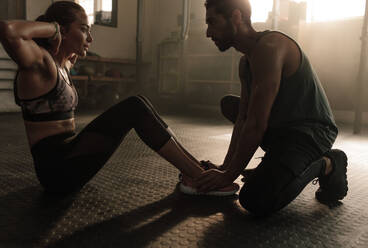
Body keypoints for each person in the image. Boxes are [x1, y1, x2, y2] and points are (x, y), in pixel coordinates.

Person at [0, 1, 239, 196]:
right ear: (61, 30)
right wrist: (52, 29)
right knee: (134, 107)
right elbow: (8, 30)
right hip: (56, 170)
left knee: (141, 102)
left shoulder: (63, 64)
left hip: (69, 158)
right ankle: (199, 179)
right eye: (84, 29)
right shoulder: (41, 63)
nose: (90, 38)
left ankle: (196, 169)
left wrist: (68, 43)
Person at [195, 0, 348, 216]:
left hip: (310, 132)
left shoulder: (270, 47)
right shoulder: (245, 63)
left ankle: (328, 162)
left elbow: (257, 124)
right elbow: (244, 118)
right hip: (283, 130)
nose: (208, 32)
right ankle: (280, 159)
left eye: (212, 22)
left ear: (236, 17)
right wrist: (225, 167)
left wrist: (229, 176)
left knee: (255, 199)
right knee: (231, 105)